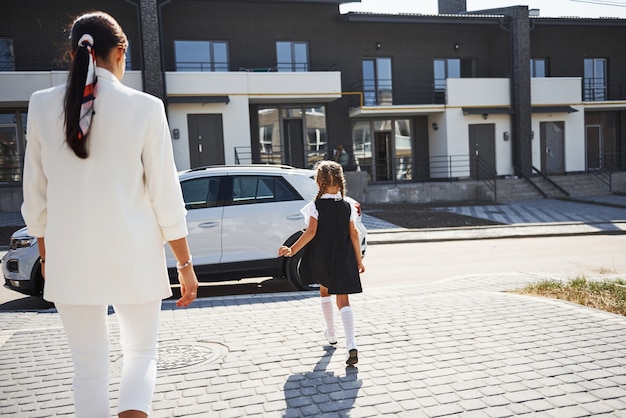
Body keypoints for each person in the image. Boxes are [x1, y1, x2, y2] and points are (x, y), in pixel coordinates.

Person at [21, 12, 199, 418]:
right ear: (122, 52)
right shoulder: (146, 107)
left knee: (87, 372)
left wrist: (48, 257)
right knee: (140, 356)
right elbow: (165, 196)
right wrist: (185, 264)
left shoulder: (40, 105)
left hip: (69, 260)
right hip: (134, 256)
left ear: (73, 54)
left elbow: (35, 197)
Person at [278, 160, 365, 365]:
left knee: (325, 291)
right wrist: (359, 261)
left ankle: (332, 335)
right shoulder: (348, 206)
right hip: (344, 259)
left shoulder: (314, 207)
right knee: (344, 301)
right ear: (341, 182)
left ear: (319, 183)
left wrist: (292, 250)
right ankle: (351, 344)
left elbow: (311, 233)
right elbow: (354, 234)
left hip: (322, 259)